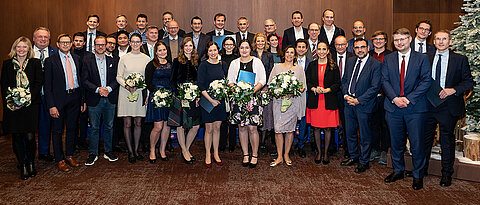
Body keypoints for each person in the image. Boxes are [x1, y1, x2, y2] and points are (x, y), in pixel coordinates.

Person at [382, 28, 431, 190]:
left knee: (417, 144)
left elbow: (426, 81)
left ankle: (418, 175)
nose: (399, 42)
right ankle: (398, 170)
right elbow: (385, 81)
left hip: (415, 108)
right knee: (396, 143)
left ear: (410, 39)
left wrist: (408, 99)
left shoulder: (421, 58)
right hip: (393, 107)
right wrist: (395, 99)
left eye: (402, 39)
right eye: (396, 40)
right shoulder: (388, 59)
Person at [424, 30, 473, 187]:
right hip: (428, 104)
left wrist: (453, 90)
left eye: (444, 39)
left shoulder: (460, 60)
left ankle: (446, 174)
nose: (440, 41)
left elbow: (468, 82)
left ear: (450, 42)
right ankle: (422, 169)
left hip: (448, 105)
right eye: (438, 39)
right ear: (434, 41)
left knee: (446, 140)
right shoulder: (426, 57)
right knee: (425, 139)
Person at [1, 37, 43, 179]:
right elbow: (4, 85)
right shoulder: (7, 64)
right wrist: (12, 102)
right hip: (13, 107)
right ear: (14, 48)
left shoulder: (35, 63)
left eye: (24, 47)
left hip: (30, 106)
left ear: (29, 49)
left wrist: (27, 99)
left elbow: (38, 83)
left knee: (30, 137)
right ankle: (23, 164)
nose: (21, 49)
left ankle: (31, 162)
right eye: (18, 47)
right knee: (17, 136)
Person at [340, 38, 382, 173]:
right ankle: (353, 156)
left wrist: (358, 100)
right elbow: (345, 80)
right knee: (350, 132)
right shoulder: (350, 61)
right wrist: (346, 95)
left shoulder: (375, 64)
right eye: (357, 47)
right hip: (349, 103)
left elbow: (375, 87)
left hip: (364, 104)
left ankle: (364, 161)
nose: (360, 50)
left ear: (368, 47)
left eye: (362, 47)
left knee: (364, 134)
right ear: (353, 49)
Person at [44, 34, 85, 172]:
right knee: (57, 130)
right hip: (58, 101)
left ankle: (69, 155)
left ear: (72, 44)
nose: (66, 45)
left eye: (68, 42)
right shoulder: (50, 61)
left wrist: (82, 100)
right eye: (63, 42)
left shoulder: (77, 59)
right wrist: (51, 105)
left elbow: (81, 80)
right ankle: (59, 159)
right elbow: (47, 86)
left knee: (72, 129)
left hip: (75, 97)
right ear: (57, 44)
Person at [228, 40, 266, 168]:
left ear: (251, 49)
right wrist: (238, 91)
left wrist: (252, 90)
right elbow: (230, 81)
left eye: (247, 47)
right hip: (239, 99)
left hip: (253, 99)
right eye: (242, 48)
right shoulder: (234, 63)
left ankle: (254, 155)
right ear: (238, 49)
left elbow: (263, 79)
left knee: (252, 128)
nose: (244, 50)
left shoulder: (257, 62)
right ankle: (245, 154)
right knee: (242, 127)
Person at [82, 36, 119, 166]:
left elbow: (117, 79)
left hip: (110, 98)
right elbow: (84, 80)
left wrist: (108, 89)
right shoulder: (87, 61)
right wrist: (98, 89)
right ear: (94, 46)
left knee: (109, 126)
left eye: (103, 44)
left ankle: (108, 151)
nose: (101, 47)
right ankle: (93, 153)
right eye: (98, 45)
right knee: (94, 127)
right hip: (94, 98)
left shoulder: (113, 60)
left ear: (106, 45)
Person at [268, 45, 307, 167]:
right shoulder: (276, 67)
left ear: (295, 55)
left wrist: (292, 92)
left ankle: (286, 154)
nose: (289, 55)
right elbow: (270, 85)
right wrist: (279, 92)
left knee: (290, 130)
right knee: (278, 129)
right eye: (287, 52)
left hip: (293, 103)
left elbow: (302, 86)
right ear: (283, 54)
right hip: (279, 102)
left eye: (292, 53)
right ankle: (279, 156)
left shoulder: (299, 69)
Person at [116, 33, 150, 163]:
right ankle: (130, 151)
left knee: (138, 122)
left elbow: (148, 78)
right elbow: (119, 76)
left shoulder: (146, 59)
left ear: (141, 43)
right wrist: (127, 85)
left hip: (140, 92)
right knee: (127, 123)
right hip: (126, 93)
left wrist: (143, 89)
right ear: (130, 43)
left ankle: (136, 150)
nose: (135, 44)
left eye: (138, 42)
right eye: (133, 42)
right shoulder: (124, 58)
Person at [305, 41, 340, 165]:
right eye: (319, 49)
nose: (321, 51)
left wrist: (328, 89)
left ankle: (326, 153)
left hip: (328, 101)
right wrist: (314, 89)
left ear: (328, 51)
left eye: (324, 49)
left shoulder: (333, 66)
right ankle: (319, 152)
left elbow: (337, 83)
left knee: (327, 129)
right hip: (315, 101)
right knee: (316, 128)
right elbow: (307, 81)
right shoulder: (312, 65)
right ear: (316, 51)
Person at [169, 37, 202, 164]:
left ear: (193, 47)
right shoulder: (176, 61)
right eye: (186, 46)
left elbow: (199, 80)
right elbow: (172, 81)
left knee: (195, 125)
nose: (188, 48)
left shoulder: (197, 62)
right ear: (182, 48)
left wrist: (198, 94)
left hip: (194, 97)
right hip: (180, 97)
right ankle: (184, 151)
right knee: (181, 125)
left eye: (190, 46)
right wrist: (179, 95)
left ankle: (186, 149)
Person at [198, 41, 228, 168]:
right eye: (210, 50)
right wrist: (211, 100)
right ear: (207, 52)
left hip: (220, 101)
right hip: (207, 100)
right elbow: (201, 84)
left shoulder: (223, 64)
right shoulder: (203, 65)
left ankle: (216, 153)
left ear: (218, 51)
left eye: (215, 50)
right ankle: (207, 154)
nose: (213, 53)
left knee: (217, 128)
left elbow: (227, 81)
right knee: (209, 129)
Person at [32, 27, 58, 162]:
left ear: (49, 39)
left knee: (46, 124)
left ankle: (44, 151)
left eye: (46, 37)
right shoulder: (27, 52)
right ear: (34, 39)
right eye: (40, 37)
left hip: (49, 95)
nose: (43, 39)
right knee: (28, 126)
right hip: (31, 96)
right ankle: (26, 155)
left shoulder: (55, 52)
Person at [145, 41, 172, 163]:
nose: (162, 52)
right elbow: (148, 82)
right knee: (158, 126)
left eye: (164, 50)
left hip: (168, 97)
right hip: (156, 97)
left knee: (167, 125)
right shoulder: (151, 65)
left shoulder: (171, 64)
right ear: (156, 52)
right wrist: (157, 94)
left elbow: (172, 81)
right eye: (160, 50)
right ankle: (152, 149)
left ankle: (162, 150)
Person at [369, 31, 392, 164]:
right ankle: (374, 149)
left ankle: (384, 150)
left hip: (386, 96)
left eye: (381, 39)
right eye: (375, 39)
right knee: (372, 123)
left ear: (385, 41)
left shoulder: (391, 55)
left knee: (386, 124)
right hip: (371, 96)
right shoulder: (368, 55)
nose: (378, 41)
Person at [252, 33, 275, 156]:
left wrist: (266, 87)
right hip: (253, 89)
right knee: (255, 115)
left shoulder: (269, 55)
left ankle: (262, 143)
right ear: (255, 42)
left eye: (262, 41)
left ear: (265, 43)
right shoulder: (251, 54)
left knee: (265, 116)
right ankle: (254, 141)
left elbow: (271, 72)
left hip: (265, 89)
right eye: (258, 41)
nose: (260, 43)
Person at [332, 35, 354, 158]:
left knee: (347, 122)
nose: (340, 47)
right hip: (333, 93)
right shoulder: (329, 57)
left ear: (347, 45)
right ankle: (331, 147)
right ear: (335, 46)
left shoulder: (353, 57)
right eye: (337, 45)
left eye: (342, 44)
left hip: (347, 94)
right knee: (331, 121)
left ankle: (348, 148)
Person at [219, 36, 239, 152]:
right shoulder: (219, 58)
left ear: (234, 46)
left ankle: (232, 144)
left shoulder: (237, 58)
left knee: (232, 118)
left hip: (234, 90)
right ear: (223, 46)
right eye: (227, 44)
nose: (229, 46)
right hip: (222, 91)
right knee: (223, 119)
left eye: (231, 44)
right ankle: (222, 143)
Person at [71, 32, 90, 152]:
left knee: (84, 117)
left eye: (80, 41)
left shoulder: (89, 56)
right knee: (73, 119)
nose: (78, 43)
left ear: (84, 43)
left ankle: (82, 141)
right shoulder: (69, 54)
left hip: (87, 90)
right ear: (73, 42)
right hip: (74, 91)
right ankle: (73, 142)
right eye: (76, 40)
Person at [295, 39, 312, 158]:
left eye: (303, 47)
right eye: (299, 47)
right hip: (291, 95)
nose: (301, 49)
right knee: (291, 119)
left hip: (306, 94)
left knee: (304, 121)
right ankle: (288, 145)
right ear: (296, 48)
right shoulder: (289, 61)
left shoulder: (311, 63)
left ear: (306, 49)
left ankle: (301, 145)